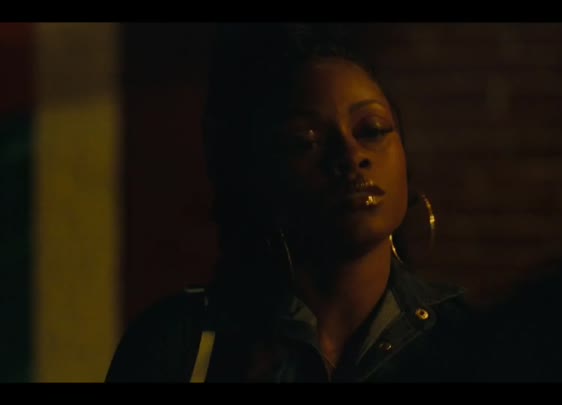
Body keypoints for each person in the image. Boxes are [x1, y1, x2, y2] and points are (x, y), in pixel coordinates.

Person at [105, 23, 484, 383]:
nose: (351, 156)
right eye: (305, 141)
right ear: (258, 174)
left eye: (371, 130)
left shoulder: (469, 343)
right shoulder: (183, 346)